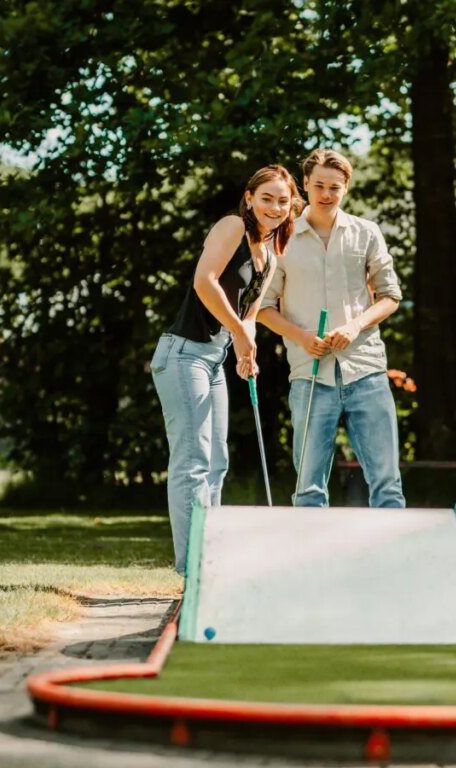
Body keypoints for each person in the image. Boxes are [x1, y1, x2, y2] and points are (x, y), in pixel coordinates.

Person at [151, 165, 303, 574]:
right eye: (266, 197)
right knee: (193, 461)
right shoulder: (232, 226)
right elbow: (205, 282)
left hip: (214, 358)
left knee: (217, 462)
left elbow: (250, 314)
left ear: (291, 208)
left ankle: (209, 556)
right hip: (184, 354)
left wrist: (245, 348)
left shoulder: (270, 254)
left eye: (282, 201)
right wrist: (238, 331)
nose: (274, 207)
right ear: (250, 197)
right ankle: (192, 566)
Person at [258, 149, 405, 507]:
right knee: (308, 488)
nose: (326, 194)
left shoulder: (366, 232)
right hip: (309, 375)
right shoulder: (280, 238)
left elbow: (390, 296)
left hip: (366, 370)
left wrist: (355, 326)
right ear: (304, 184)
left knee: (387, 483)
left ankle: (395, 560)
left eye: (334, 188)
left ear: (346, 188)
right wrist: (303, 338)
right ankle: (310, 562)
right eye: (319, 185)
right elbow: (263, 307)